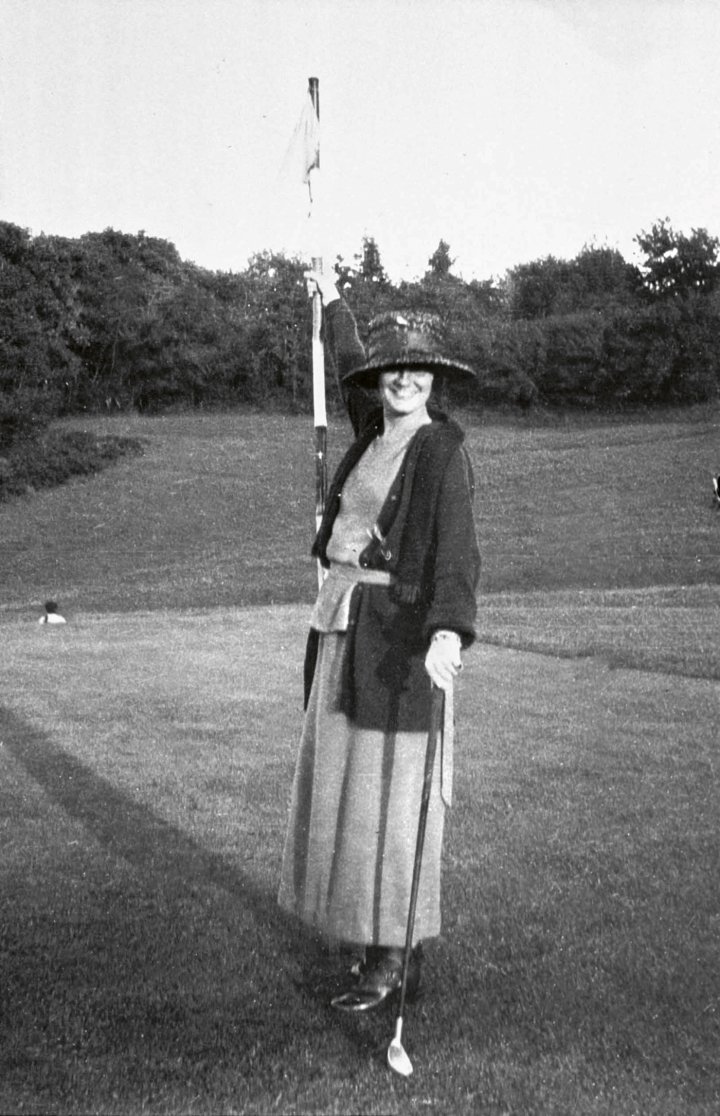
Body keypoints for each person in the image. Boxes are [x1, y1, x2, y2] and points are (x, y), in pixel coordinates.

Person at [278, 270, 481, 1011]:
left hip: (396, 644)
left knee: (391, 803)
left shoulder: (438, 450)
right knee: (345, 797)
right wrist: (330, 295)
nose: (402, 377)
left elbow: (457, 551)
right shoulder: (372, 431)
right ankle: (365, 943)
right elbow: (348, 356)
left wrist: (449, 633)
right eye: (392, 366)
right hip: (340, 631)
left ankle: (392, 960)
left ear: (434, 378)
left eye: (416, 367)